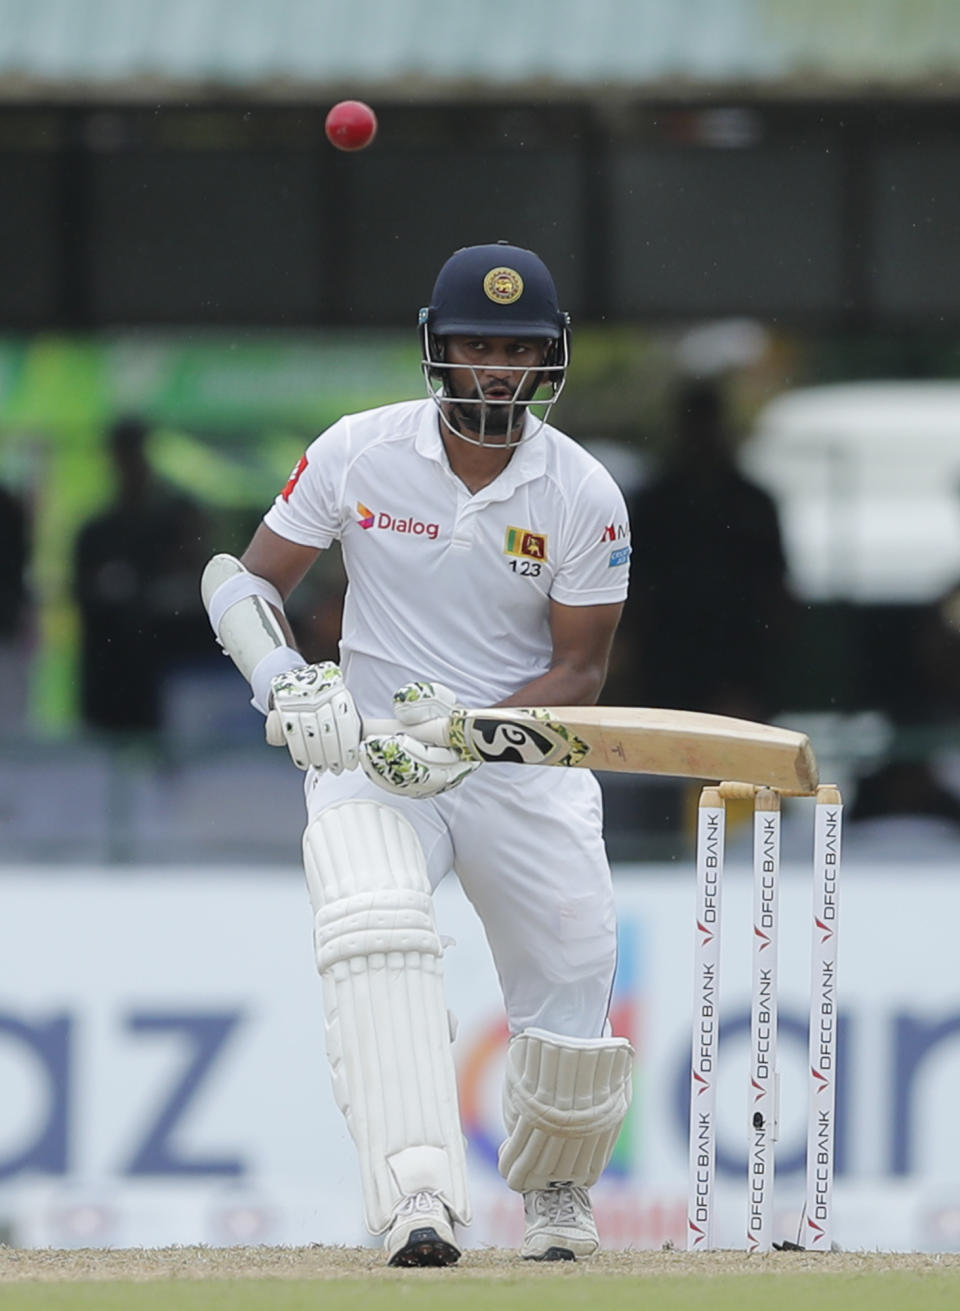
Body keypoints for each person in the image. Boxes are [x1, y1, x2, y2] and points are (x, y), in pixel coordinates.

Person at [201, 242, 634, 1266]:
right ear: (437, 349)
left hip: (516, 759)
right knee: (376, 936)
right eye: (477, 346)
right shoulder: (358, 452)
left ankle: (559, 1192)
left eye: (517, 350)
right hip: (371, 755)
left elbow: (580, 674)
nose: (495, 370)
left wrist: (469, 735)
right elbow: (242, 580)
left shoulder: (582, 493)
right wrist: (286, 681)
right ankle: (418, 1199)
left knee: (572, 972)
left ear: (547, 360)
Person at [621, 378, 790, 723]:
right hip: (670, 652)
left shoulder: (752, 503)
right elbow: (633, 586)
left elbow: (775, 587)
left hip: (740, 651)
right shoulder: (656, 503)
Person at [74, 416, 212, 733]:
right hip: (110, 670)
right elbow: (83, 598)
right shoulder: (97, 533)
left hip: (164, 670)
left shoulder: (172, 518)